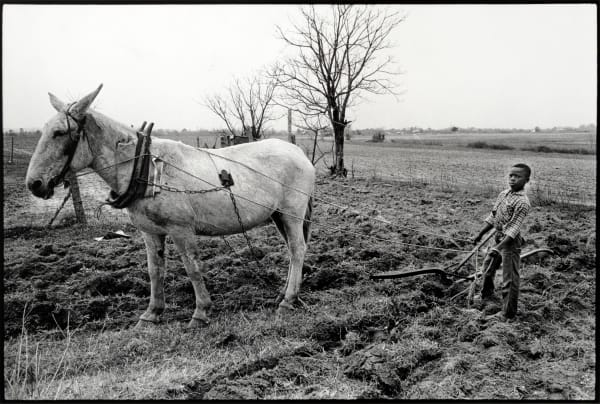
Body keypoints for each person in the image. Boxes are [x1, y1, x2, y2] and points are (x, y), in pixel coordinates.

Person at [472, 163, 532, 321]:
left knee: (509, 279)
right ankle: (486, 295)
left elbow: (512, 230)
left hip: (510, 243)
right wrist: (479, 235)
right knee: (487, 269)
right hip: (498, 237)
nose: (512, 178)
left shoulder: (523, 202)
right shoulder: (503, 194)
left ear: (526, 180)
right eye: (511, 175)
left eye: (517, 176)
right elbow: (493, 217)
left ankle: (508, 313)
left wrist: (498, 248)